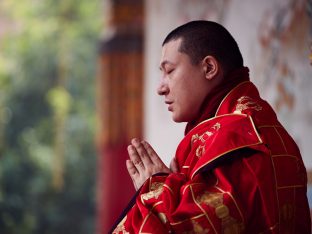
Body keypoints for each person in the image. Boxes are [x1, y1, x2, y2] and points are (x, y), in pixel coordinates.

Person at [111, 20, 311, 233]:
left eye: (169, 71)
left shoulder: (234, 139)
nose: (161, 88)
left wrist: (158, 191)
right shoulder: (259, 124)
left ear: (209, 68)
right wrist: (172, 190)